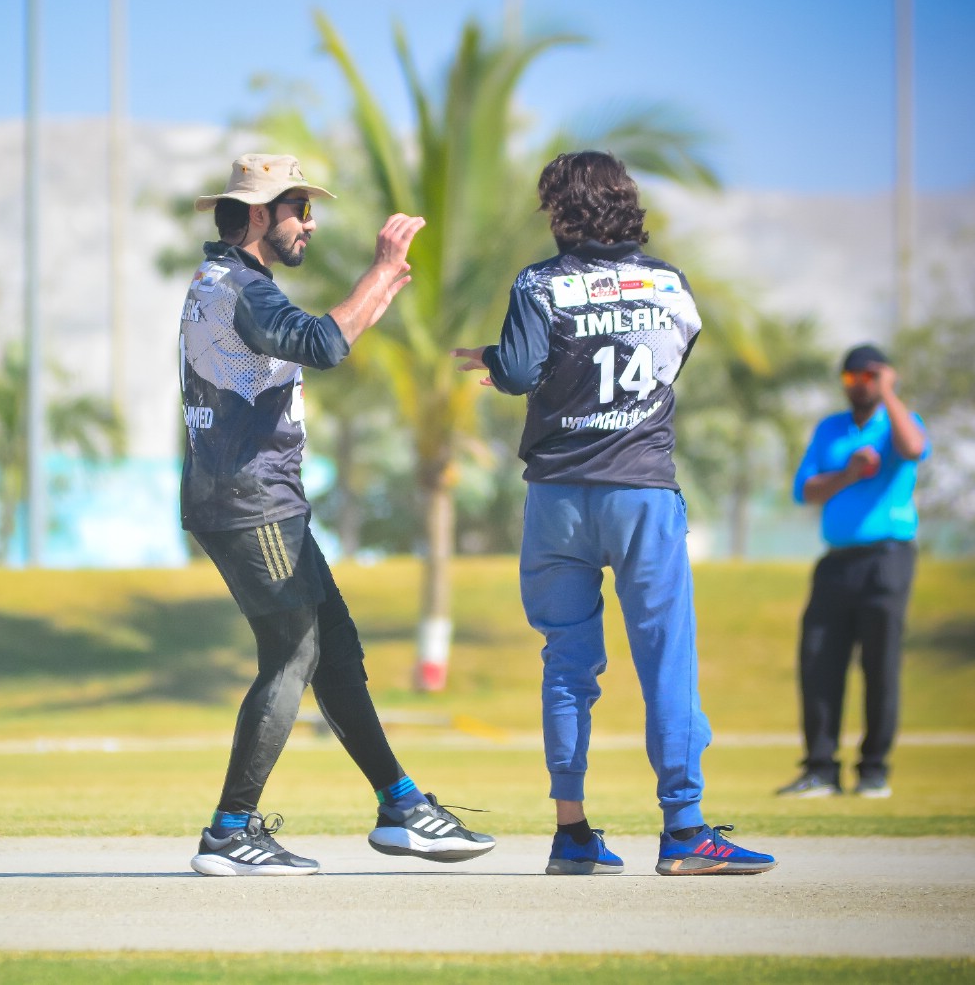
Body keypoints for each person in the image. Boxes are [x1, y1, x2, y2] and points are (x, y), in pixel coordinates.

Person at [453, 151, 776, 877]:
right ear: (626, 205)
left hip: (557, 496)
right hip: (640, 492)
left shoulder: (537, 283)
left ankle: (572, 835)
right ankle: (684, 830)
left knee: (567, 665)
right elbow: (668, 361)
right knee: (666, 660)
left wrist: (492, 358)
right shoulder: (670, 283)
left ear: (560, 211)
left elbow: (517, 372)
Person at [179, 153, 495, 876]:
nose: (309, 224)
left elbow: (326, 340)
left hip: (254, 499)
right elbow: (321, 344)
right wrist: (378, 273)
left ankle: (402, 807)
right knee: (293, 654)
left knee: (337, 651)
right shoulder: (245, 290)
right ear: (258, 214)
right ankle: (229, 830)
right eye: (299, 209)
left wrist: (379, 291)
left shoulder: (222, 280)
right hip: (249, 500)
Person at [778, 344, 929, 799]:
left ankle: (874, 770)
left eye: (869, 376)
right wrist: (849, 473)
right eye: (852, 377)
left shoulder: (900, 421)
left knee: (880, 663)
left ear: (885, 377)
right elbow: (805, 491)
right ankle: (821, 769)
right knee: (818, 659)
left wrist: (890, 395)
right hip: (837, 561)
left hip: (887, 559)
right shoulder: (830, 429)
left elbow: (913, 448)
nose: (860, 384)